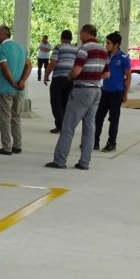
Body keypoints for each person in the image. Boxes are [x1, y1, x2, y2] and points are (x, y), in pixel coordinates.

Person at [46, 24, 109, 170]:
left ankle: (59, 160)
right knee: (89, 127)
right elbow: (106, 74)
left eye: (81, 34)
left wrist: (69, 77)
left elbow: (76, 71)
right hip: (96, 90)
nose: (80, 36)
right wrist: (93, 75)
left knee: (68, 126)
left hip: (82, 90)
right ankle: (84, 162)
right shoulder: (103, 51)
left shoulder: (84, 49)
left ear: (86, 34)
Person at [0, 25, 32, 155]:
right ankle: (17, 145)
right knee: (16, 118)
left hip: (5, 89)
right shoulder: (21, 48)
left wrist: (13, 82)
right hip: (19, 91)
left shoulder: (1, 49)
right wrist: (22, 81)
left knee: (5, 118)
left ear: (4, 35)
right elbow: (29, 66)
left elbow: (4, 68)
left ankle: (6, 147)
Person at [94, 31, 131, 152]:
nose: (107, 45)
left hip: (116, 93)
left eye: (109, 43)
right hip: (104, 91)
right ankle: (94, 141)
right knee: (98, 117)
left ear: (116, 45)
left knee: (113, 119)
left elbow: (128, 77)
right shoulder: (106, 56)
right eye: (106, 43)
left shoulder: (124, 58)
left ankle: (111, 143)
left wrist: (125, 94)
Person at [43, 29, 78, 133]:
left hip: (59, 78)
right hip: (71, 78)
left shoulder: (59, 47)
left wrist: (46, 75)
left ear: (61, 38)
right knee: (66, 102)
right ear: (71, 39)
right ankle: (65, 125)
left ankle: (60, 125)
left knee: (56, 102)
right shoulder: (76, 49)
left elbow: (53, 63)